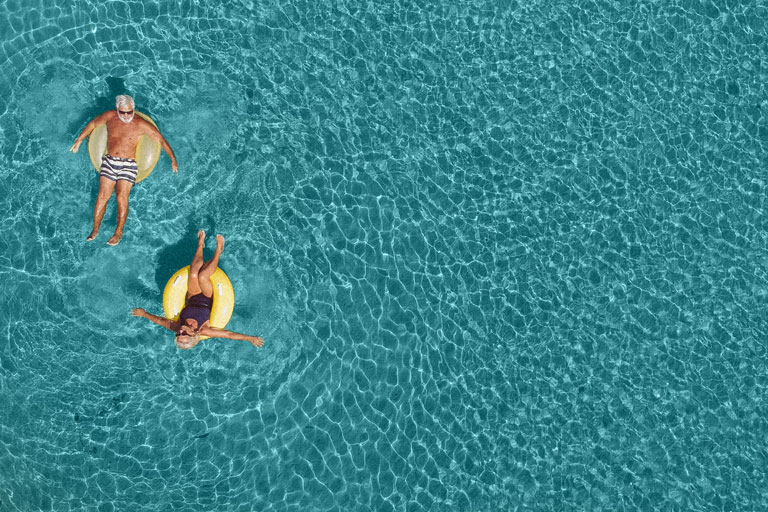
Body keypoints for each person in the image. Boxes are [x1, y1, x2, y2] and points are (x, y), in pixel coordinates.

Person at [70, 95, 179, 246]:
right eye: (123, 112)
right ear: (117, 109)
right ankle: (95, 229)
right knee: (102, 196)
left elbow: (160, 139)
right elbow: (93, 124)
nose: (127, 116)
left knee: (121, 197)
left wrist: (172, 159)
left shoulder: (141, 124)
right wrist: (79, 141)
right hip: (109, 161)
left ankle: (118, 232)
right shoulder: (110, 117)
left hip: (129, 164)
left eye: (130, 112)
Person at [131, 231, 265, 350]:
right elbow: (228, 334)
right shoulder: (204, 330)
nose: (181, 331)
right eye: (185, 334)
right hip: (208, 297)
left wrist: (144, 314)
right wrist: (250, 339)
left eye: (178, 334)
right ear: (194, 334)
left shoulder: (176, 326)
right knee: (203, 276)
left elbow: (160, 320)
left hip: (193, 296)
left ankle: (200, 244)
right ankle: (218, 251)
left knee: (194, 273)